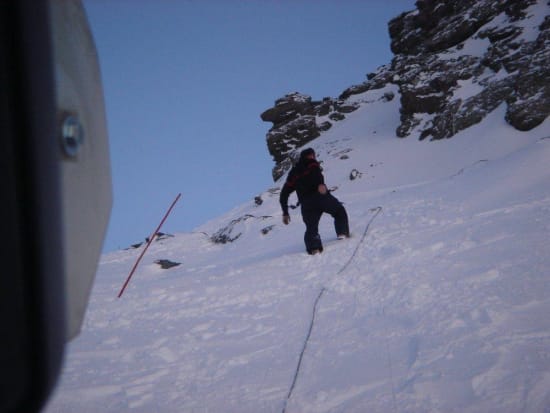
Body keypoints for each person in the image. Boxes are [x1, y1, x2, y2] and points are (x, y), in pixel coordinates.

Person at [280, 147, 350, 255]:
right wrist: (321, 184)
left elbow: (284, 194)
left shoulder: (293, 173)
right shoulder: (312, 163)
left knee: (311, 227)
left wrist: (285, 212)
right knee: (339, 211)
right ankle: (342, 233)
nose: (313, 157)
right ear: (311, 155)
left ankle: (314, 248)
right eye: (313, 155)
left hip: (307, 204)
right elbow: (316, 173)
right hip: (320, 196)